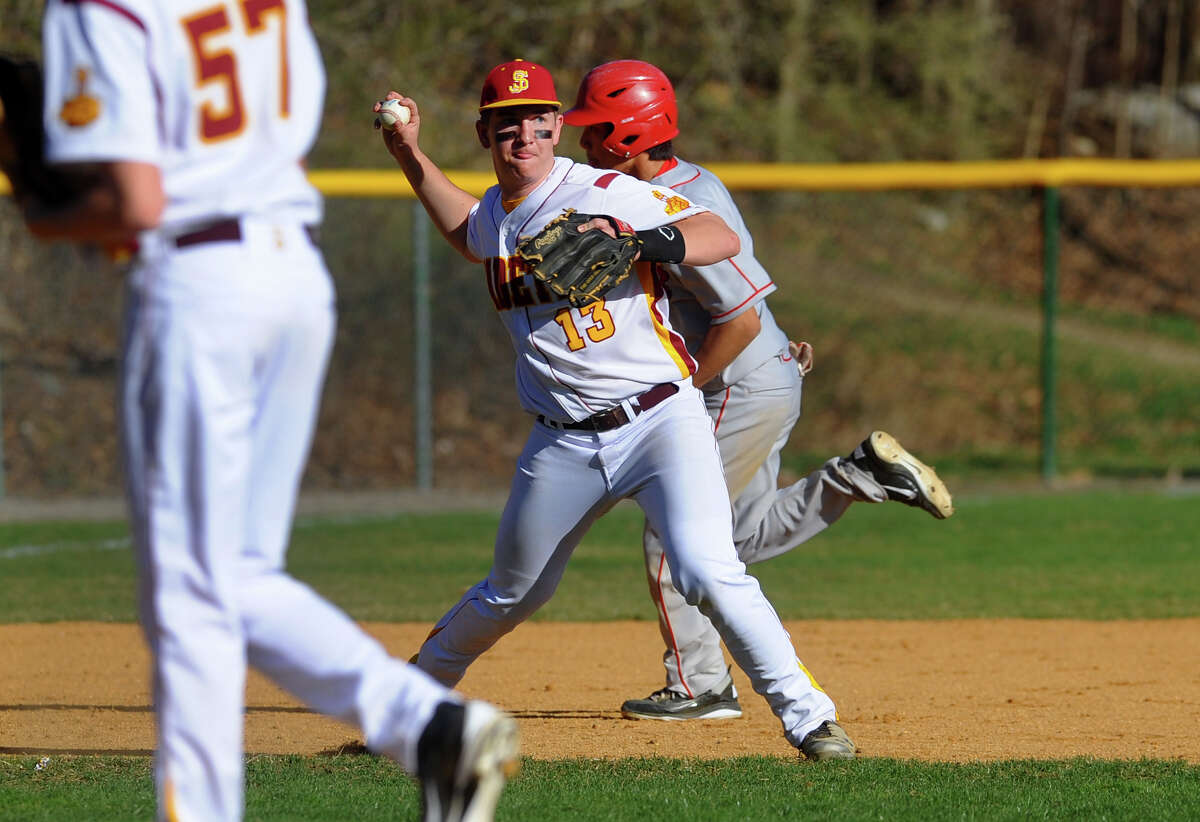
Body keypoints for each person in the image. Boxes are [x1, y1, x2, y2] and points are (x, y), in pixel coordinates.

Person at [26, 1, 518, 820]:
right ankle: (428, 727)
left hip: (200, 282)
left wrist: (41, 211)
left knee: (188, 592)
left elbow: (136, 203)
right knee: (235, 573)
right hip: (292, 275)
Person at [375, 59, 855, 762]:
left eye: (538, 124)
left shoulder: (603, 188)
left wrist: (640, 240)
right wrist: (410, 154)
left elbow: (719, 237)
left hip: (661, 421)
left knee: (704, 567)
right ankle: (404, 712)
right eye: (507, 127)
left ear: (556, 127)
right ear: (484, 134)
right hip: (562, 443)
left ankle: (810, 719)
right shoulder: (498, 215)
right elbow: (466, 231)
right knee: (511, 594)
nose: (524, 138)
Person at [562, 60, 955, 721]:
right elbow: (739, 300)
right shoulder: (685, 184)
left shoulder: (678, 202)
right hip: (759, 372)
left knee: (676, 535)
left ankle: (702, 687)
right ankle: (855, 478)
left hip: (734, 383)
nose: (583, 140)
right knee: (735, 538)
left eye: (595, 128)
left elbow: (736, 316)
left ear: (630, 134)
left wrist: (685, 388)